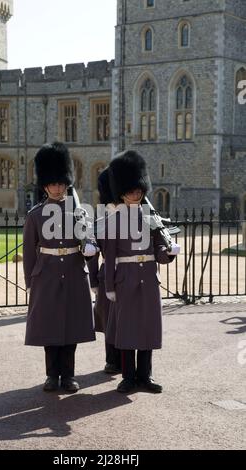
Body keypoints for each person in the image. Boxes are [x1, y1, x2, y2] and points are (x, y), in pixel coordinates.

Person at [22, 142, 96, 393]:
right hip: (47, 275)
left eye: (61, 183)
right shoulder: (35, 215)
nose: (57, 187)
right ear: (45, 185)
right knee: (50, 326)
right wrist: (31, 282)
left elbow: (89, 241)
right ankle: (52, 375)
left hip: (75, 272)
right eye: (53, 183)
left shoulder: (79, 212)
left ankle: (69, 375)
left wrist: (90, 249)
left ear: (67, 183)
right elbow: (29, 252)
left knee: (71, 326)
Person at [105, 150, 180, 394]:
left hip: (148, 277)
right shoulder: (114, 220)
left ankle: (145, 376)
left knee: (147, 328)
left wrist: (168, 253)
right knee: (127, 330)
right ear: (122, 192)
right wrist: (108, 287)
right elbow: (110, 257)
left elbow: (158, 248)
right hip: (125, 279)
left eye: (138, 189)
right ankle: (128, 377)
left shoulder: (151, 218)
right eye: (130, 190)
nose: (135, 193)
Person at [88, 168, 121, 374]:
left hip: (130, 275)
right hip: (107, 274)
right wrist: (93, 280)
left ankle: (127, 361)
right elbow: (92, 254)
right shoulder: (100, 221)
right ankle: (112, 359)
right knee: (110, 320)